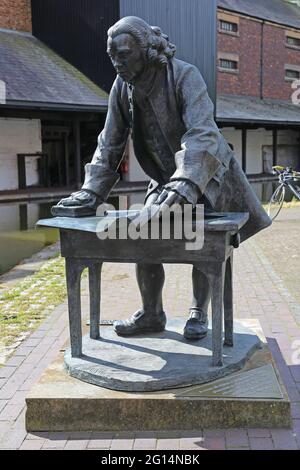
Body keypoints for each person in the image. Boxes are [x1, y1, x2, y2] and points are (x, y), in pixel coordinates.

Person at [53, 16, 271, 339]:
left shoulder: (184, 76)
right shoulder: (121, 87)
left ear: (146, 49)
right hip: (166, 180)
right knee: (144, 235)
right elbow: (109, 142)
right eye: (112, 55)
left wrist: (186, 182)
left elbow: (202, 134)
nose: (117, 62)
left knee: (204, 238)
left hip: (206, 175)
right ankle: (152, 314)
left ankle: (198, 313)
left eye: (124, 54)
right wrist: (90, 192)